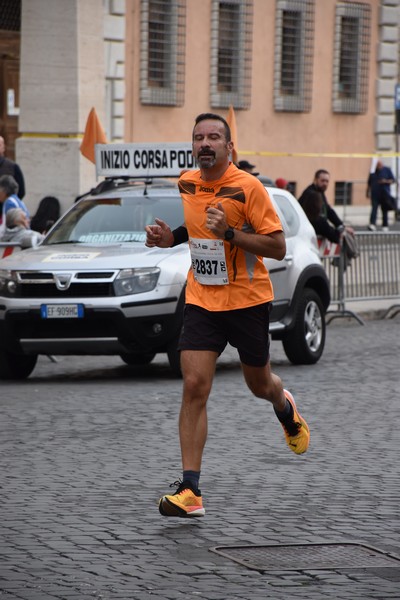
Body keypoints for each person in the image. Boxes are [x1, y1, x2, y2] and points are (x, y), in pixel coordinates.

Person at [145, 112, 310, 519]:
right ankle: (191, 491)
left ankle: (284, 406)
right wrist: (170, 240)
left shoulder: (249, 187)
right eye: (199, 137)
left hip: (248, 300)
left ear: (229, 146)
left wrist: (230, 235)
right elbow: (197, 225)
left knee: (259, 384)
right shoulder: (186, 182)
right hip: (203, 298)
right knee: (194, 385)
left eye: (214, 137)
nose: (205, 143)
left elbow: (277, 247)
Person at [298, 169, 354, 236]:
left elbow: (328, 211)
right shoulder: (311, 194)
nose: (325, 183)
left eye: (327, 181)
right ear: (315, 180)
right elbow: (316, 219)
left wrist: (341, 226)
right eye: (322, 181)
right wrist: (336, 233)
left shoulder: (320, 192)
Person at [366, 160, 395, 231]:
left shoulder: (387, 170)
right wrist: (367, 192)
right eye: (377, 165)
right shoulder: (373, 173)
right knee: (374, 209)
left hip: (384, 194)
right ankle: (372, 224)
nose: (378, 166)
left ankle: (385, 225)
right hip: (375, 194)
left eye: (380, 165)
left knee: (384, 210)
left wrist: (385, 181)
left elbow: (393, 180)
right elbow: (369, 184)